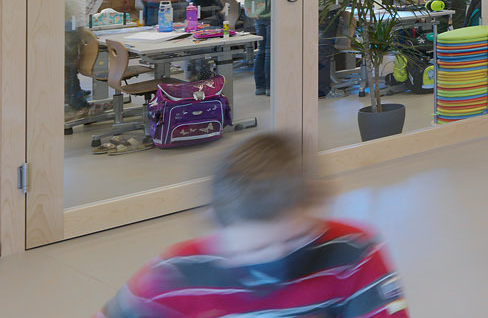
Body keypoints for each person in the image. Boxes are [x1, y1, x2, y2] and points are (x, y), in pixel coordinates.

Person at [95, 133, 409, 317]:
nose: (277, 259)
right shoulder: (176, 274)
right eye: (257, 248)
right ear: (217, 225)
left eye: (295, 240)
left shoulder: (354, 254)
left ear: (314, 210)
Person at [64, 0, 139, 120]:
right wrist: (81, 27)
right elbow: (74, 2)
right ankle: (77, 106)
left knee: (73, 63)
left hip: (77, 24)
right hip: (67, 22)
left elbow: (94, 2)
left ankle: (75, 97)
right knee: (68, 65)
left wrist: (87, 24)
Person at [241, 0, 275, 96]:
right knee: (271, 52)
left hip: (260, 14)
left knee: (262, 50)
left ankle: (260, 86)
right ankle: (270, 87)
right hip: (273, 14)